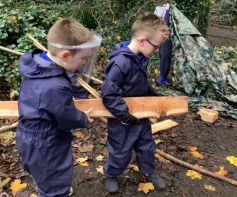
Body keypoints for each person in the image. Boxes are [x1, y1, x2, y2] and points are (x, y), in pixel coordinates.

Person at [16, 18, 101, 197]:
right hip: (45, 142)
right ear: (65, 55)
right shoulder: (54, 86)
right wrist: (83, 118)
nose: (83, 63)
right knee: (54, 177)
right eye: (83, 58)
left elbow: (49, 103)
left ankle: (50, 189)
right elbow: (66, 116)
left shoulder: (39, 66)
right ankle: (55, 192)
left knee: (45, 176)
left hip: (33, 136)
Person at [101, 12, 170, 193]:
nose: (156, 51)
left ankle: (148, 171)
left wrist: (154, 96)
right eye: (156, 47)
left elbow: (140, 83)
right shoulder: (120, 63)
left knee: (147, 147)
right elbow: (108, 94)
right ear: (142, 40)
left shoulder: (141, 58)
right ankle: (112, 174)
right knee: (120, 151)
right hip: (123, 120)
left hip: (141, 117)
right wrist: (125, 114)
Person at [155, 2, 172, 86]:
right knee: (164, 56)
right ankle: (160, 78)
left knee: (167, 58)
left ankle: (164, 77)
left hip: (168, 37)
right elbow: (162, 23)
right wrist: (167, 11)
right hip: (163, 36)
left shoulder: (169, 8)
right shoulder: (159, 9)